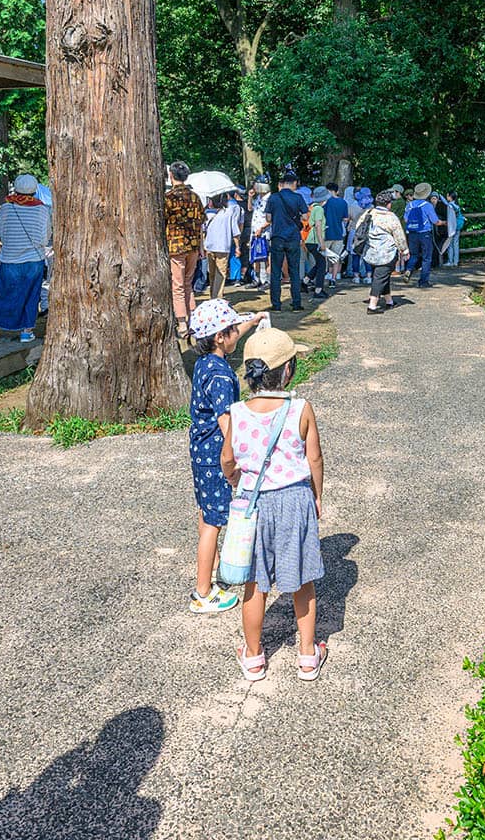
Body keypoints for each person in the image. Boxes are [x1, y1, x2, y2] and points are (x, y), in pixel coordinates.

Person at [220, 325, 327, 682]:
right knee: (302, 581)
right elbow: (314, 459)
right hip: (294, 499)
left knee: (255, 583)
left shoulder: (237, 411)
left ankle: (253, 657)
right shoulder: (301, 409)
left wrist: (238, 481)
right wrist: (316, 495)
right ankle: (308, 655)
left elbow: (226, 460)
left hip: (254, 505)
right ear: (288, 370)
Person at [186, 299, 262, 615]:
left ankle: (211, 565)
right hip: (216, 454)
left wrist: (253, 322)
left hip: (200, 451)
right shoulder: (219, 376)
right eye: (233, 330)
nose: (236, 334)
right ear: (220, 337)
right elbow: (226, 422)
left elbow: (230, 334)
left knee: (207, 514)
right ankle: (203, 592)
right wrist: (235, 461)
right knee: (215, 522)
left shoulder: (205, 360)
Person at [0, 175, 50, 343]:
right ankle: (26, 332)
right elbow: (45, 237)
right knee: (30, 295)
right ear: (35, 191)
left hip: (9, 259)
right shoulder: (42, 210)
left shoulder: (5, 209)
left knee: (1, 293)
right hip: (34, 259)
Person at [164, 162, 204, 338]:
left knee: (178, 285)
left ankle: (182, 323)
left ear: (171, 175)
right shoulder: (195, 197)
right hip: (193, 245)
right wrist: (201, 246)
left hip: (175, 246)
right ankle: (193, 318)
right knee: (188, 284)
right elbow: (201, 222)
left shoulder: (168, 198)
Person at [354, 192, 408, 314]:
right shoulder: (390, 217)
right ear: (389, 204)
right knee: (379, 277)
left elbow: (358, 227)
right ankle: (372, 306)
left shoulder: (368, 213)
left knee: (382, 276)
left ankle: (389, 302)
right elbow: (399, 236)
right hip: (386, 253)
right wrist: (404, 250)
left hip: (370, 251)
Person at [264, 170, 308, 313]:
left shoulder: (273, 198)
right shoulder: (298, 198)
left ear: (282, 184)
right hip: (293, 237)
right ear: (294, 183)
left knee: (275, 272)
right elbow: (306, 217)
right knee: (294, 271)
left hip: (277, 237)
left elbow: (268, 219)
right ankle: (296, 304)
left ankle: (276, 305)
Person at [203, 191, 242, 301]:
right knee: (221, 274)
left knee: (212, 274)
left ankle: (213, 297)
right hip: (223, 246)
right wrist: (238, 247)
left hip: (209, 246)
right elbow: (235, 232)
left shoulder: (207, 213)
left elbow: (202, 231)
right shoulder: (228, 213)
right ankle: (218, 298)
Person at [405, 181, 439, 288]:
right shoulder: (427, 205)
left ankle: (409, 269)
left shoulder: (409, 205)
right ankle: (423, 281)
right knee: (426, 257)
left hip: (412, 233)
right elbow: (435, 221)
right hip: (425, 233)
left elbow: (406, 220)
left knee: (413, 254)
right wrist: (444, 223)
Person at [321, 183, 349, 283]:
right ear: (337, 191)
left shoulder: (325, 202)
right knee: (336, 257)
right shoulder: (343, 202)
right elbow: (346, 218)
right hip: (338, 233)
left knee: (323, 256)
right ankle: (334, 278)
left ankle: (323, 276)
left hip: (326, 233)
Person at [442, 191, 463, 265]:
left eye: (447, 195)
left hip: (453, 226)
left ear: (449, 196)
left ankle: (450, 261)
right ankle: (456, 261)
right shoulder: (456, 205)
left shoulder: (450, 205)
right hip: (458, 226)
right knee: (456, 243)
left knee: (450, 244)